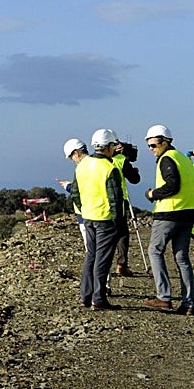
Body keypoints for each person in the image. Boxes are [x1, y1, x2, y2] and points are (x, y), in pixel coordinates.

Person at [142, 124, 194, 313]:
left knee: (155, 251)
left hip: (169, 213)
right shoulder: (184, 159)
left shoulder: (166, 159)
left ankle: (163, 297)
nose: (151, 150)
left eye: (154, 145)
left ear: (165, 142)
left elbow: (173, 185)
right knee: (182, 257)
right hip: (188, 213)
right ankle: (189, 302)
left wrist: (152, 194)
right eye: (149, 146)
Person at [73, 129, 125, 310]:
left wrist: (85, 208)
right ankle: (99, 299)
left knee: (91, 256)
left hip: (88, 217)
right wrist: (118, 222)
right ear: (110, 147)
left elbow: (75, 193)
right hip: (105, 220)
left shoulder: (82, 166)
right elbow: (115, 199)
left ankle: (85, 296)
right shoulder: (110, 168)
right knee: (102, 260)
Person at [112, 139, 142, 275]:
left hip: (97, 203)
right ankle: (121, 264)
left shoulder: (92, 160)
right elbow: (135, 180)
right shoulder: (120, 160)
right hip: (119, 201)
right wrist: (134, 171)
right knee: (122, 233)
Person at [59, 138, 90, 252]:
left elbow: (79, 191)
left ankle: (94, 270)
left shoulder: (82, 167)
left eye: (71, 157)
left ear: (76, 153)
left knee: (91, 249)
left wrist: (68, 186)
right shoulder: (97, 163)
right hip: (95, 213)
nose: (72, 160)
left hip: (85, 213)